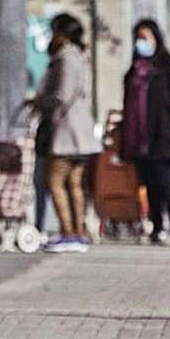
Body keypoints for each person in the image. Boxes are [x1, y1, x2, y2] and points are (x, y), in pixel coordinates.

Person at [34, 13, 99, 253]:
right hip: (80, 132)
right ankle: (78, 232)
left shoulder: (66, 58)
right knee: (74, 183)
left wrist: (40, 102)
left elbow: (62, 95)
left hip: (66, 131)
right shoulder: (80, 57)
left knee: (55, 181)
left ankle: (68, 232)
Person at [120, 19, 170, 243]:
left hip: (162, 133)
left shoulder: (167, 66)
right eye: (138, 38)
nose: (141, 43)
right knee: (150, 185)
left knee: (166, 181)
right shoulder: (133, 71)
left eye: (145, 38)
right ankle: (157, 226)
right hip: (139, 138)